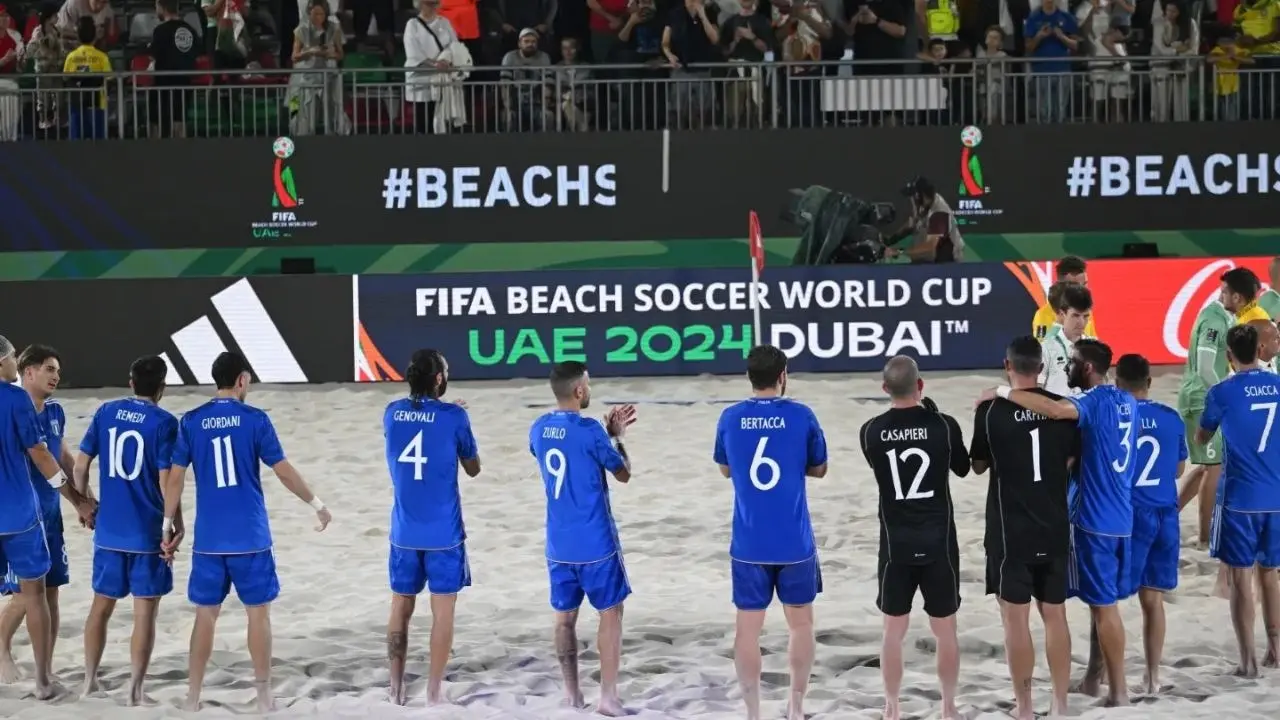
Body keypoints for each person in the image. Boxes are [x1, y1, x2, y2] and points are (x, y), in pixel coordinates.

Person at [161, 351, 332, 712]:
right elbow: (282, 471)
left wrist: (166, 524)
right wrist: (316, 504)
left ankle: (192, 696)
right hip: (250, 537)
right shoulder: (255, 420)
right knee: (258, 613)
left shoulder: (191, 421)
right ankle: (264, 695)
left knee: (205, 615)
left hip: (209, 538)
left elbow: (176, 477)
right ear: (241, 380)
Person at [978, 338, 1137, 707]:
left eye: (1074, 363)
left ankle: (1117, 691)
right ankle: (1087, 688)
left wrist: (1002, 392)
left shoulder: (1085, 406)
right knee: (1083, 608)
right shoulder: (1125, 401)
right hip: (1122, 515)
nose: (1067, 369)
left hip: (1091, 519)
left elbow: (1052, 410)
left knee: (1099, 608)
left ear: (1088, 368)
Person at [713, 345, 828, 720]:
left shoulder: (730, 418)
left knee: (747, 630)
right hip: (793, 542)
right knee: (801, 625)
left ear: (750, 377)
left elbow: (726, 470)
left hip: (749, 542)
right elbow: (820, 468)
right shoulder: (801, 415)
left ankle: (753, 712)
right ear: (783, 376)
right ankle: (795, 706)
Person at [969, 336, 1077, 720]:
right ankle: (1061, 704)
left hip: (1009, 530)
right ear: (1042, 368)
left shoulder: (990, 411)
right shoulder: (1061, 410)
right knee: (1055, 615)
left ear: (1007, 366)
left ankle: (1025, 707)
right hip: (1052, 525)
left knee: (1015, 619)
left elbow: (979, 464)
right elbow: (1069, 461)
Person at [861, 356, 969, 720]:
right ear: (920, 387)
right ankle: (949, 707)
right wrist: (935, 419)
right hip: (938, 540)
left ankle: (891, 707)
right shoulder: (943, 425)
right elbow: (963, 468)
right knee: (945, 630)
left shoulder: (870, 430)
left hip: (896, 544)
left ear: (884, 389)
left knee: (893, 630)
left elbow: (879, 465)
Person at [528, 362, 637, 716]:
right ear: (578, 391)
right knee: (611, 612)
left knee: (564, 618)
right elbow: (623, 474)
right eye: (587, 386)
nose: (589, 390)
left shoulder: (539, 428)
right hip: (595, 541)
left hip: (558, 542)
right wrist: (616, 435)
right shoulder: (591, 430)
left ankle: (572, 694)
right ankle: (607, 697)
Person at [74, 355, 179, 704]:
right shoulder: (165, 423)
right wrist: (174, 525)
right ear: (162, 387)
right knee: (145, 611)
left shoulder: (106, 412)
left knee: (100, 607)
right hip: (146, 533)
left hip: (109, 530)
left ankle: (89, 681)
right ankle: (135, 689)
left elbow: (81, 465)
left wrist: (86, 503)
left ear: (131, 382)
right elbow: (166, 482)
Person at [384, 349, 481, 706]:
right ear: (439, 378)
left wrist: (443, 415)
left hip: (405, 531)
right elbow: (473, 467)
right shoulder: (454, 417)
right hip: (444, 533)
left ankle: (395, 688)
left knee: (400, 607)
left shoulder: (392, 413)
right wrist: (454, 419)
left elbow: (418, 420)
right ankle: (434, 690)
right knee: (443, 611)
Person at [0, 336, 92, 700]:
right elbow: (40, 456)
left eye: (58, 371)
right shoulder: (17, 402)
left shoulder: (53, 412)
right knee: (27, 595)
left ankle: (46, 669)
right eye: (50, 370)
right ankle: (8, 653)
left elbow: (61, 454)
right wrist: (76, 498)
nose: (56, 376)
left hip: (47, 515)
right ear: (26, 370)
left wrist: (82, 498)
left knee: (49, 591)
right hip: (24, 514)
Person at [1198, 324, 1280, 676]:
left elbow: (1203, 436)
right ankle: (1276, 651)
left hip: (1239, 499)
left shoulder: (1222, 391)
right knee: (1271, 575)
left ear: (1229, 355)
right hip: (1276, 496)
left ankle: (1248, 661)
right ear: (1260, 350)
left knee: (1240, 578)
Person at [1178, 266, 1273, 545]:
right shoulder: (1215, 321)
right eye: (1251, 300)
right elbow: (1206, 368)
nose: (1253, 306)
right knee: (1215, 466)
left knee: (1209, 465)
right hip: (1201, 399)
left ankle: (1170, 514)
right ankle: (1206, 537)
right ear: (1238, 297)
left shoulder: (1224, 317)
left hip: (1206, 397)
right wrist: (1229, 399)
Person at [1116, 353, 1186, 694]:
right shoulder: (1171, 417)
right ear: (1150, 382)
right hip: (1164, 515)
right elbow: (1177, 471)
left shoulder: (1117, 418)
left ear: (1117, 384)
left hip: (1130, 516)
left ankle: (1104, 675)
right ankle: (1152, 676)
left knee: (1107, 600)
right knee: (1153, 600)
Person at [147, 0, 198, 138]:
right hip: (184, 85)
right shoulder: (191, 30)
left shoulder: (160, 31)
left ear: (162, 8)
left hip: (162, 86)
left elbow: (153, 58)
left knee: (157, 122)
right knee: (180, 119)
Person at [884, 177, 965, 264]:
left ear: (920, 195)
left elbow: (930, 246)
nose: (911, 200)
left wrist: (899, 251)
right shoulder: (925, 203)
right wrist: (890, 241)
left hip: (946, 263)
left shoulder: (939, 212)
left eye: (912, 196)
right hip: (927, 260)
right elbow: (913, 224)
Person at [1039, 282, 1094, 397]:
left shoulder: (1095, 348)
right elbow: (1037, 390)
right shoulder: (1047, 348)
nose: (1082, 323)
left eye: (1085, 316)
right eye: (1075, 316)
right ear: (1062, 313)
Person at [62, 16, 111, 139]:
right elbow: (109, 80)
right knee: (98, 144)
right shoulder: (102, 57)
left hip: (76, 106)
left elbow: (66, 79)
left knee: (77, 145)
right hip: (97, 106)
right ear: (95, 35)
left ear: (77, 35)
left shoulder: (71, 57)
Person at [1033, 256, 1097, 341]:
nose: (1082, 290)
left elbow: (1093, 342)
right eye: (1076, 286)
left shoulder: (1086, 311)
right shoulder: (1043, 314)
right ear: (1062, 286)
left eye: (1084, 284)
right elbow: (1043, 349)